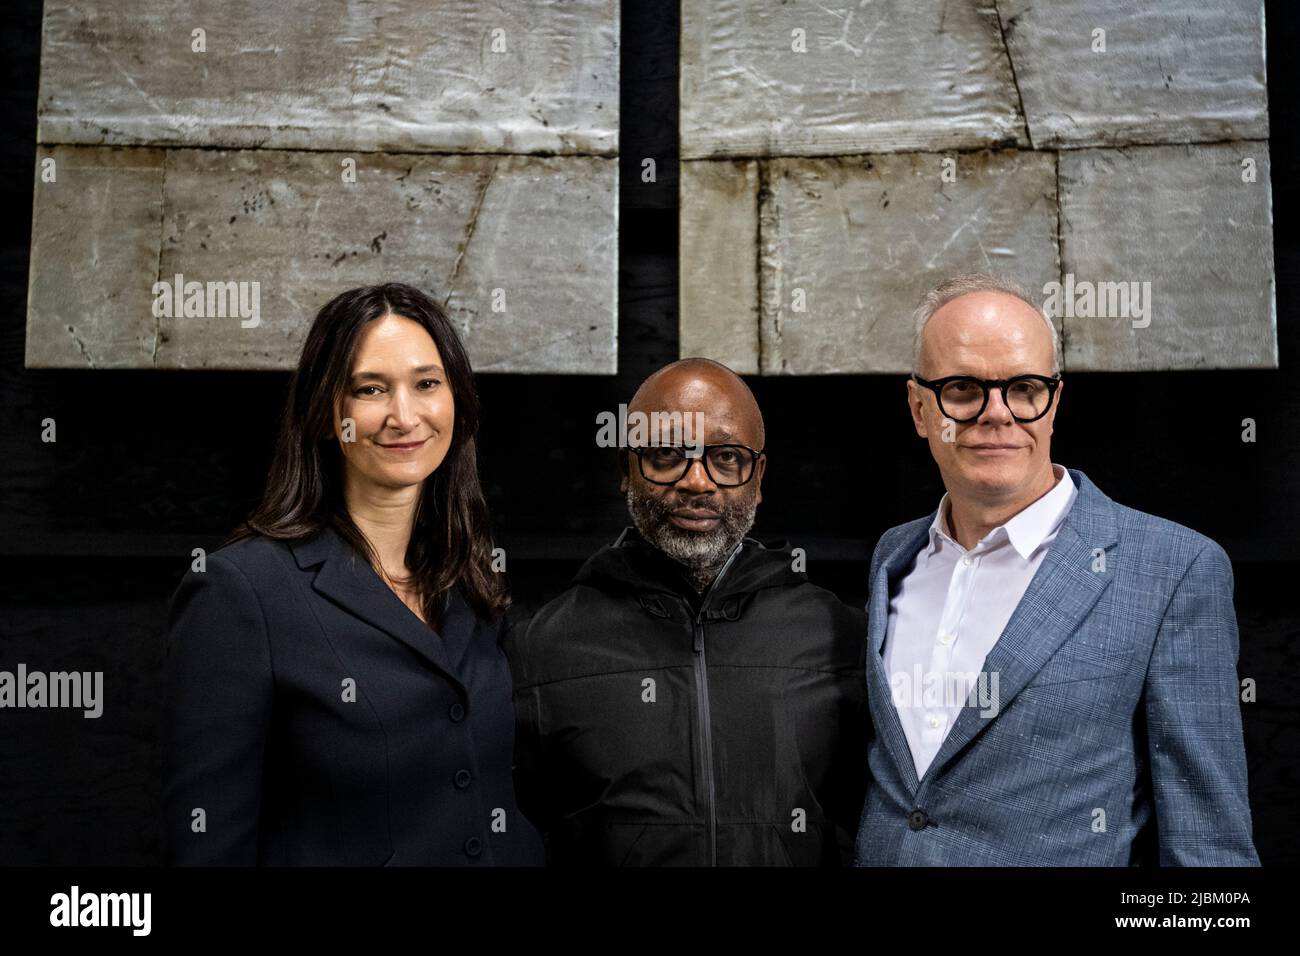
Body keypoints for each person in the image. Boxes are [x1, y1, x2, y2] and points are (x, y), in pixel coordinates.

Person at [856, 273, 1258, 866]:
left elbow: (1208, 842)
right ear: (919, 408)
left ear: (1055, 403)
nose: (997, 414)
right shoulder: (895, 556)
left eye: (1024, 388)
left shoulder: (1174, 569)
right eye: (963, 388)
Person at [162, 282, 542, 866]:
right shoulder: (240, 591)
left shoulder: (467, 575)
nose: (404, 415)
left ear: (455, 399)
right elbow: (211, 848)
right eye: (371, 389)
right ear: (324, 412)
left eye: (426, 384)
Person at [504, 358, 868, 866]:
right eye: (666, 454)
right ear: (625, 471)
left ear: (757, 478)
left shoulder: (840, 637)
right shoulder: (540, 647)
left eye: (725, 457)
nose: (698, 482)